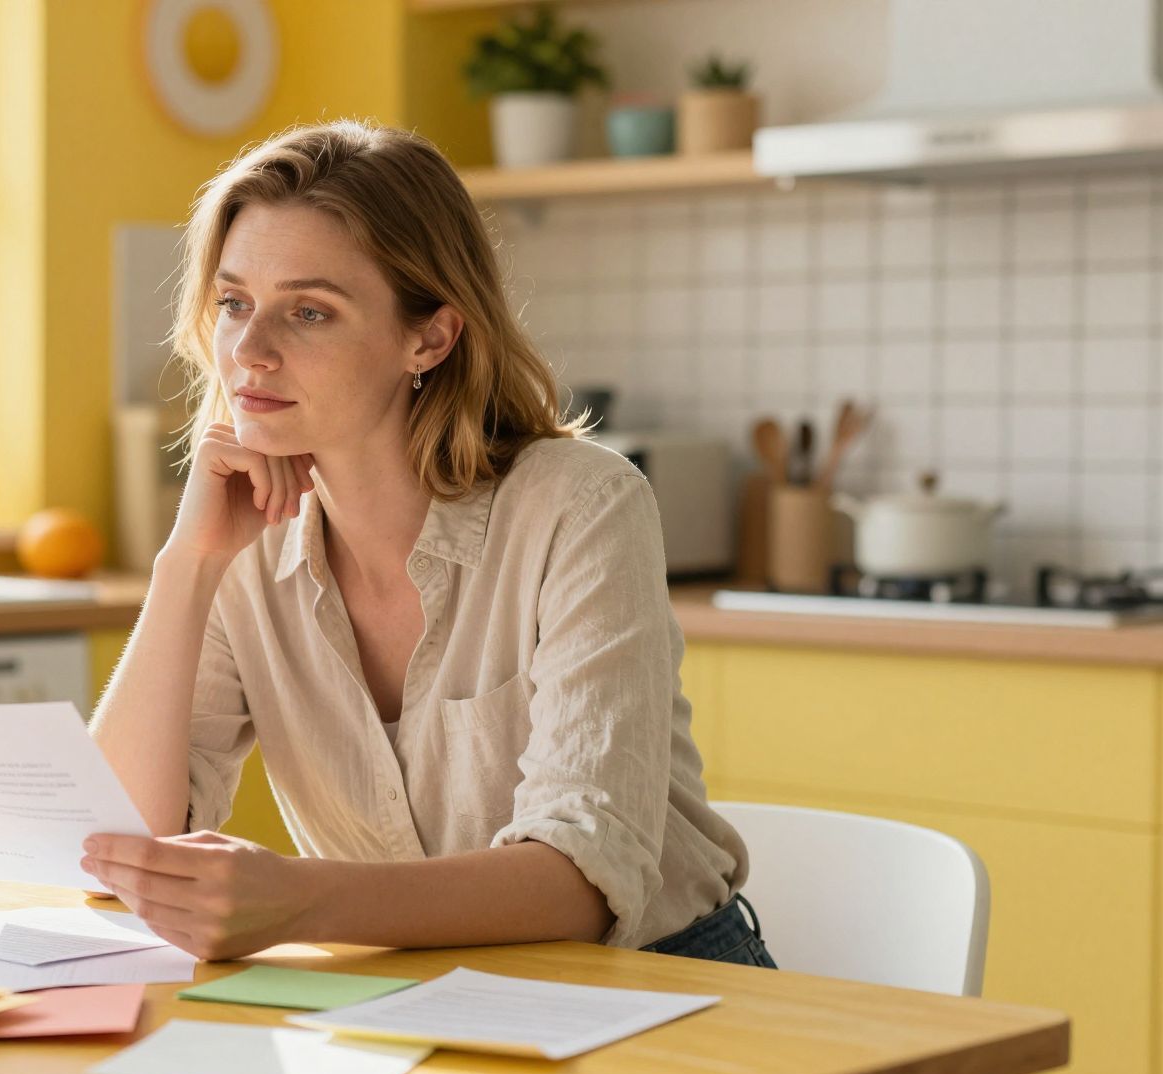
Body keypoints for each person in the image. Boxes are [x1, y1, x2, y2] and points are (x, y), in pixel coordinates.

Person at [84, 120, 768, 970]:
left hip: (656, 979)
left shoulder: (580, 505)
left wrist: (303, 901)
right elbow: (120, 845)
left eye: (308, 311)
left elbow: (583, 882)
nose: (248, 352)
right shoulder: (244, 541)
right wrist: (186, 565)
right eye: (232, 304)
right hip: (402, 984)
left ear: (430, 338)